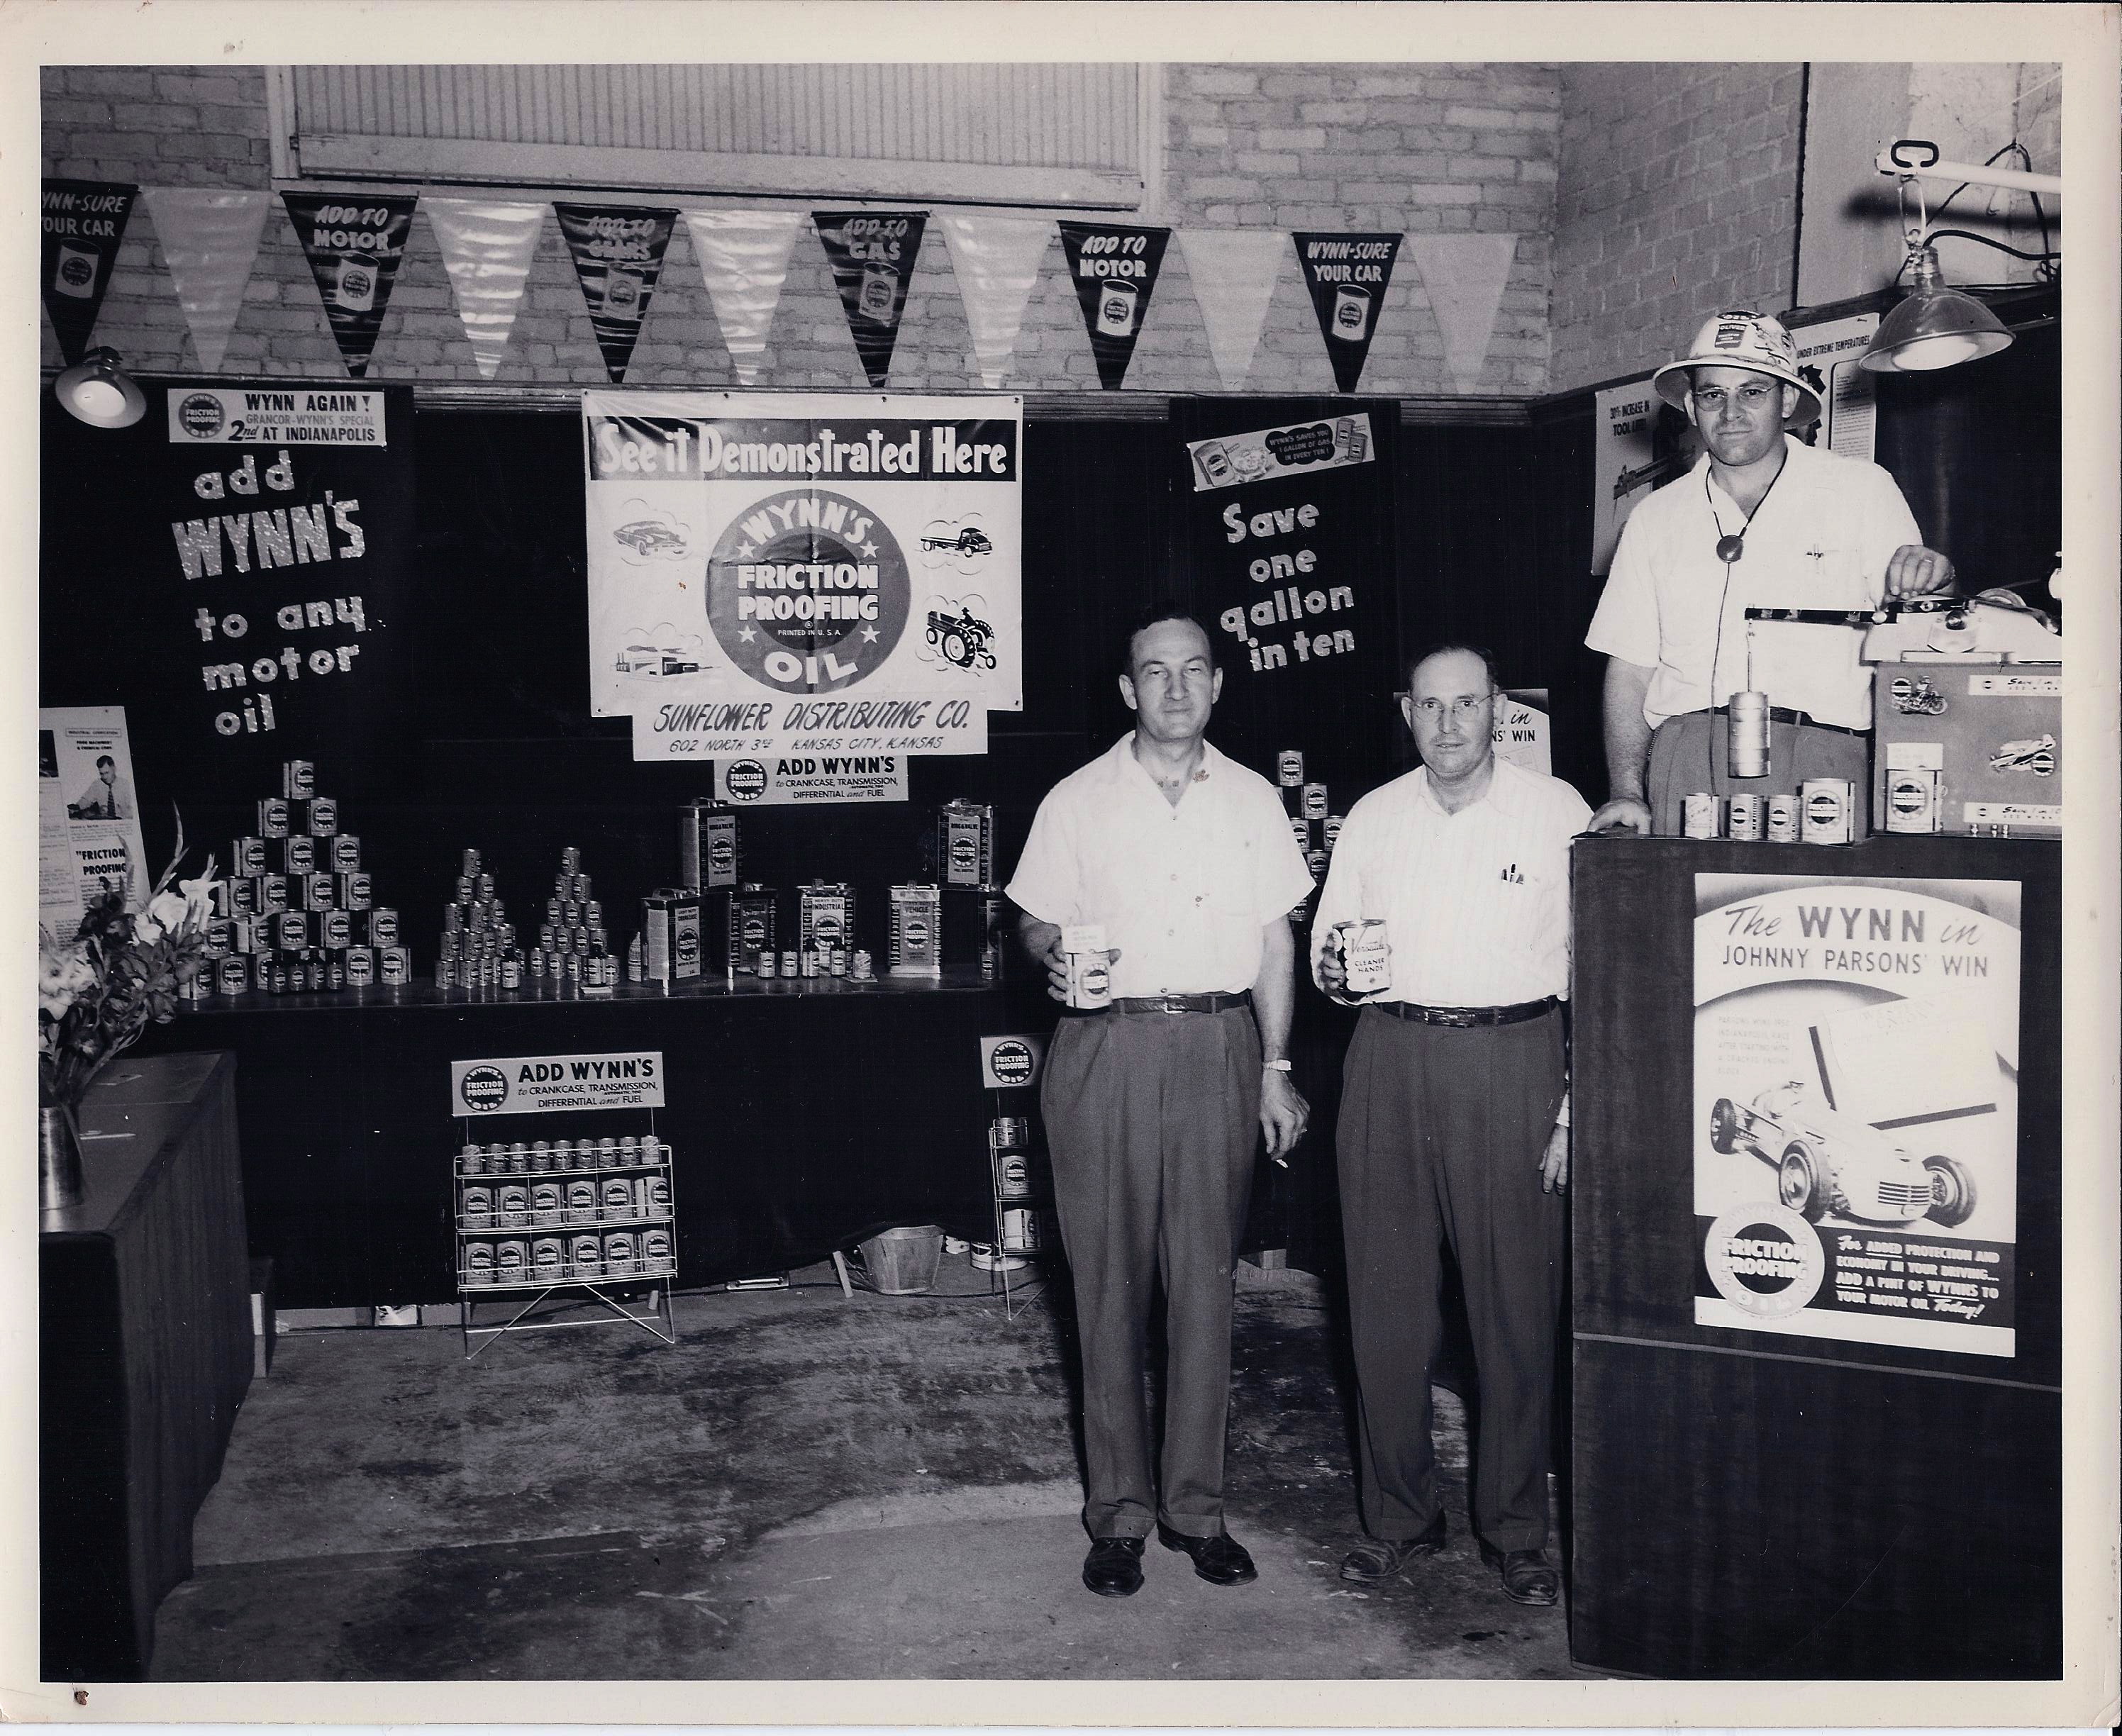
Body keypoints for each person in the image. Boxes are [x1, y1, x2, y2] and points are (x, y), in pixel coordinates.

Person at [1006, 605, 1314, 1599]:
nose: (1176, 688)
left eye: (1193, 670)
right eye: (1155, 671)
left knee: (1204, 1285)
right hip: (1106, 1045)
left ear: (1217, 684)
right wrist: (1051, 959)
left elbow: (1274, 942)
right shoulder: (1076, 800)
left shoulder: (1255, 801)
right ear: (1127, 689)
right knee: (1105, 1287)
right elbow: (1032, 923)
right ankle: (1119, 1516)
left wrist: (1274, 1066)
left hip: (1219, 1043)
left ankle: (1196, 1510)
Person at [1313, 645, 1589, 1607]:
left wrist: (1574, 1105)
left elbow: (1600, 970)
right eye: (1430, 706)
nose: (1448, 723)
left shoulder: (1557, 812)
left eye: (1466, 703)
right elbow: (1331, 953)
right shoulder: (1374, 817)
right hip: (1389, 1056)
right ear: (1407, 713)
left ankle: (1515, 1530)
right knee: (1384, 1308)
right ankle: (1400, 1518)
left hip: (1515, 1059)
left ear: (1497, 708)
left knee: (1516, 1309)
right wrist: (1334, 973)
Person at [1583, 308, 1956, 835]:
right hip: (1685, 758)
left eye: (1752, 392)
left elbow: (1921, 629)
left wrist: (1936, 579)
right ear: (1691, 407)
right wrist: (1626, 791)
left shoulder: (1860, 490)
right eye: (1713, 395)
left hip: (1822, 759)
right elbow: (1629, 670)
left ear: (1787, 402)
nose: (1730, 412)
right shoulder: (1654, 517)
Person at [72, 754, 131, 820]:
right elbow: (86, 800)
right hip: (105, 820)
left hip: (123, 821)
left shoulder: (126, 785)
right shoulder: (97, 785)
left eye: (107, 773)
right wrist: (77, 807)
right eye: (102, 774)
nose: (105, 777)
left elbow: (132, 811)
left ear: (114, 768)